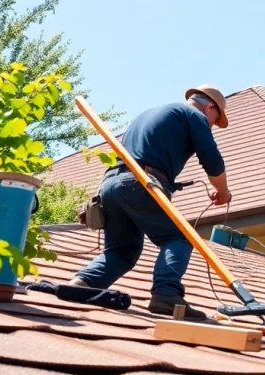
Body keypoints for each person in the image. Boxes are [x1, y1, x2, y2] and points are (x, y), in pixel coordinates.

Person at [70, 85, 232, 320]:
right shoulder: (194, 115)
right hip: (140, 183)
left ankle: (83, 282)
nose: (212, 126)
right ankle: (166, 294)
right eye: (215, 121)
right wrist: (223, 192)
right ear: (209, 108)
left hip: (110, 186)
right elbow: (213, 162)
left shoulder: (147, 115)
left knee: (122, 251)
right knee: (180, 238)